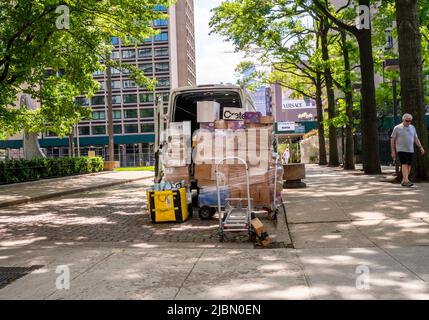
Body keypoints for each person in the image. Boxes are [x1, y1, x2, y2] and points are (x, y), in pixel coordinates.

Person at [390, 113, 425, 187]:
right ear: (403, 120)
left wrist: (420, 147)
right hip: (401, 149)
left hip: (410, 149)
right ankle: (406, 181)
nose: (409, 122)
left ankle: (404, 180)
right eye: (407, 121)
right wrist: (393, 150)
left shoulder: (412, 127)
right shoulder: (397, 128)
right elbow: (392, 139)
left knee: (409, 165)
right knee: (404, 163)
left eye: (410, 121)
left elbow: (416, 138)